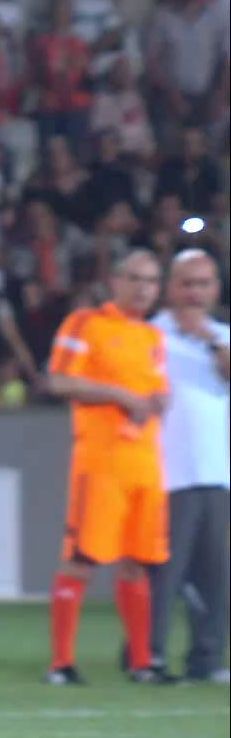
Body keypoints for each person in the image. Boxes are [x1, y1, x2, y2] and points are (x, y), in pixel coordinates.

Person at [42, 250, 175, 685]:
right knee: (81, 559)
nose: (143, 288)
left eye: (151, 281)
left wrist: (159, 400)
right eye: (135, 278)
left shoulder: (153, 336)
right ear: (115, 281)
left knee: (138, 563)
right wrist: (121, 396)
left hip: (145, 463)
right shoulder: (86, 323)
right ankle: (61, 664)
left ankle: (141, 663)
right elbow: (59, 380)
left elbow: (156, 389)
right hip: (100, 463)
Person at [147, 251, 229, 683]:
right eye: (187, 283)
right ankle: (147, 658)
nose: (195, 293)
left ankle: (207, 660)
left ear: (216, 289)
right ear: (170, 288)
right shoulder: (150, 334)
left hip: (215, 472)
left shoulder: (223, 337)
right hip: (165, 472)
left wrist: (210, 341)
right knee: (163, 575)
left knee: (216, 575)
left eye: (204, 283)